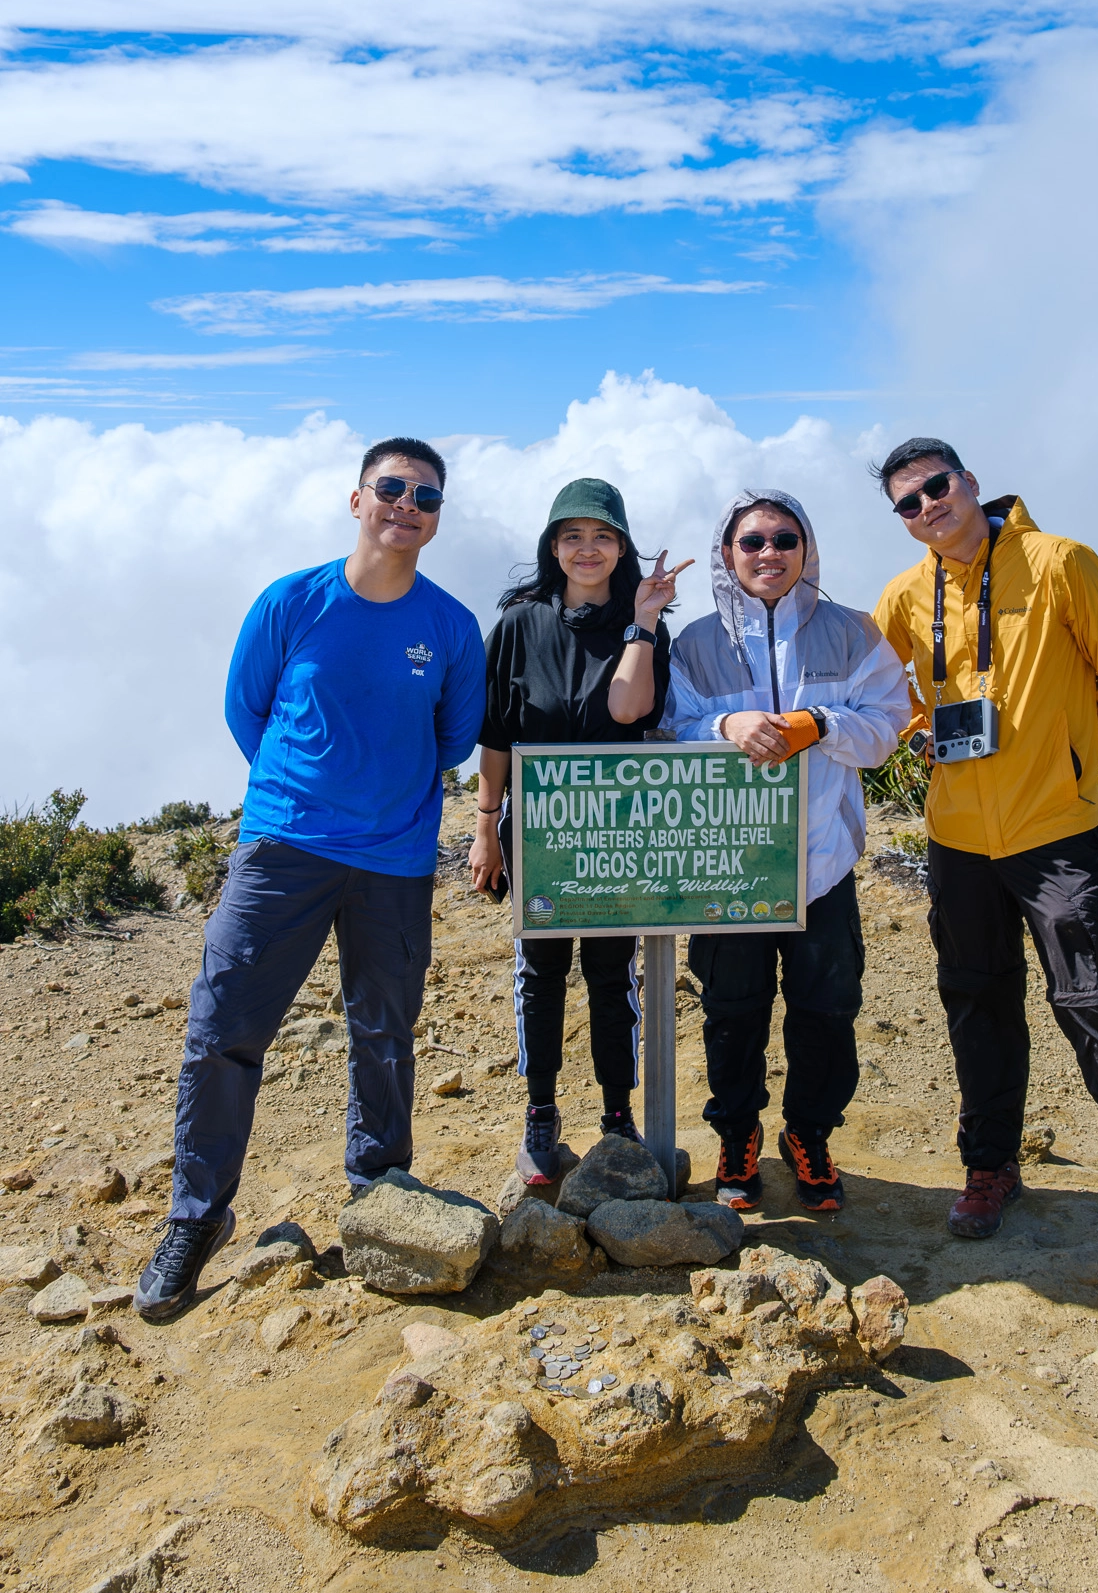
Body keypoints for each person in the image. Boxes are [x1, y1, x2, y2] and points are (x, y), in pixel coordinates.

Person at [134, 437, 485, 1323]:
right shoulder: (293, 600)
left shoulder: (448, 626)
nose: (408, 505)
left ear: (437, 518)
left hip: (395, 861)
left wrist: (375, 797)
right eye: (393, 488)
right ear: (357, 499)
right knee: (224, 1029)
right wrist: (303, 791)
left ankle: (379, 1188)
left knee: (387, 1030)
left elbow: (452, 740)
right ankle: (196, 1216)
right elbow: (246, 709)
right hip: (283, 850)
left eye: (426, 497)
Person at [872, 436, 1098, 1320]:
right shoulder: (906, 594)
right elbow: (888, 694)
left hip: (1056, 834)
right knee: (975, 1003)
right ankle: (990, 1169)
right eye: (906, 503)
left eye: (934, 488)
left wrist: (1068, 765)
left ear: (970, 483)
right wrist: (918, 738)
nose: (925, 508)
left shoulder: (1061, 563)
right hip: (956, 842)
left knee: (1095, 1008)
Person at [663, 489, 911, 1212]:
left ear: (806, 550)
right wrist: (726, 725)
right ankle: (736, 1135)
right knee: (731, 1010)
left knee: (826, 1010)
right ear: (726, 552)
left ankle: (809, 1134)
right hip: (729, 863)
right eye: (751, 541)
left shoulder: (852, 632)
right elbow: (667, 731)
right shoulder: (696, 644)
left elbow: (887, 728)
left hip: (823, 860)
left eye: (783, 538)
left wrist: (819, 723)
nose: (768, 553)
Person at [469, 478, 691, 1185]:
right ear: (552, 547)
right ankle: (540, 1112)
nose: (586, 549)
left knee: (608, 972)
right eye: (571, 536)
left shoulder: (644, 623)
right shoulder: (516, 624)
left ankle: (617, 1113)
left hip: (617, 834)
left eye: (601, 536)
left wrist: (643, 621)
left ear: (621, 545)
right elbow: (497, 734)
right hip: (534, 829)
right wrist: (484, 827)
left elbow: (630, 712)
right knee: (540, 974)